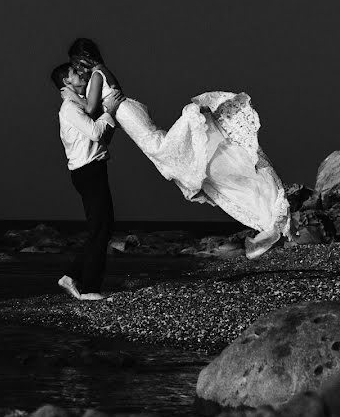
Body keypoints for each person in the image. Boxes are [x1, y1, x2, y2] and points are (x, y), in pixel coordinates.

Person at [67, 38, 292, 259]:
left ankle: (194, 128)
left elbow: (89, 109)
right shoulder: (101, 71)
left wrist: (69, 95)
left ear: (83, 57)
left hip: (130, 116)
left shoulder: (97, 74)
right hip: (129, 114)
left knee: (163, 150)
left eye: (76, 62)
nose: (76, 68)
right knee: (163, 151)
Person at [51, 62, 126, 300]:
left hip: (93, 169)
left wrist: (108, 113)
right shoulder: (70, 107)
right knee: (100, 230)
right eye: (75, 72)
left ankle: (73, 276)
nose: (81, 73)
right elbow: (95, 132)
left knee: (102, 229)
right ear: (66, 82)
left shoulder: (80, 105)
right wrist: (109, 112)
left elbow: (102, 138)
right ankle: (90, 289)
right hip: (87, 171)